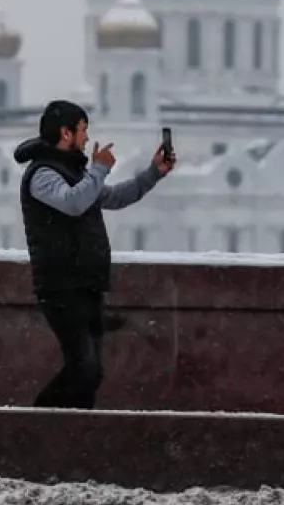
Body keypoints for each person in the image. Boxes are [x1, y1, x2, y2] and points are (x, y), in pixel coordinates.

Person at [13, 99, 175, 409]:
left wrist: (154, 172)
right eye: (83, 131)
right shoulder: (42, 175)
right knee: (83, 367)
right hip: (60, 285)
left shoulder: (75, 173)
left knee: (92, 372)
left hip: (86, 283)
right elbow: (73, 203)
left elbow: (114, 197)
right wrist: (99, 168)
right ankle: (34, 424)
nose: (87, 138)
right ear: (65, 133)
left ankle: (71, 435)